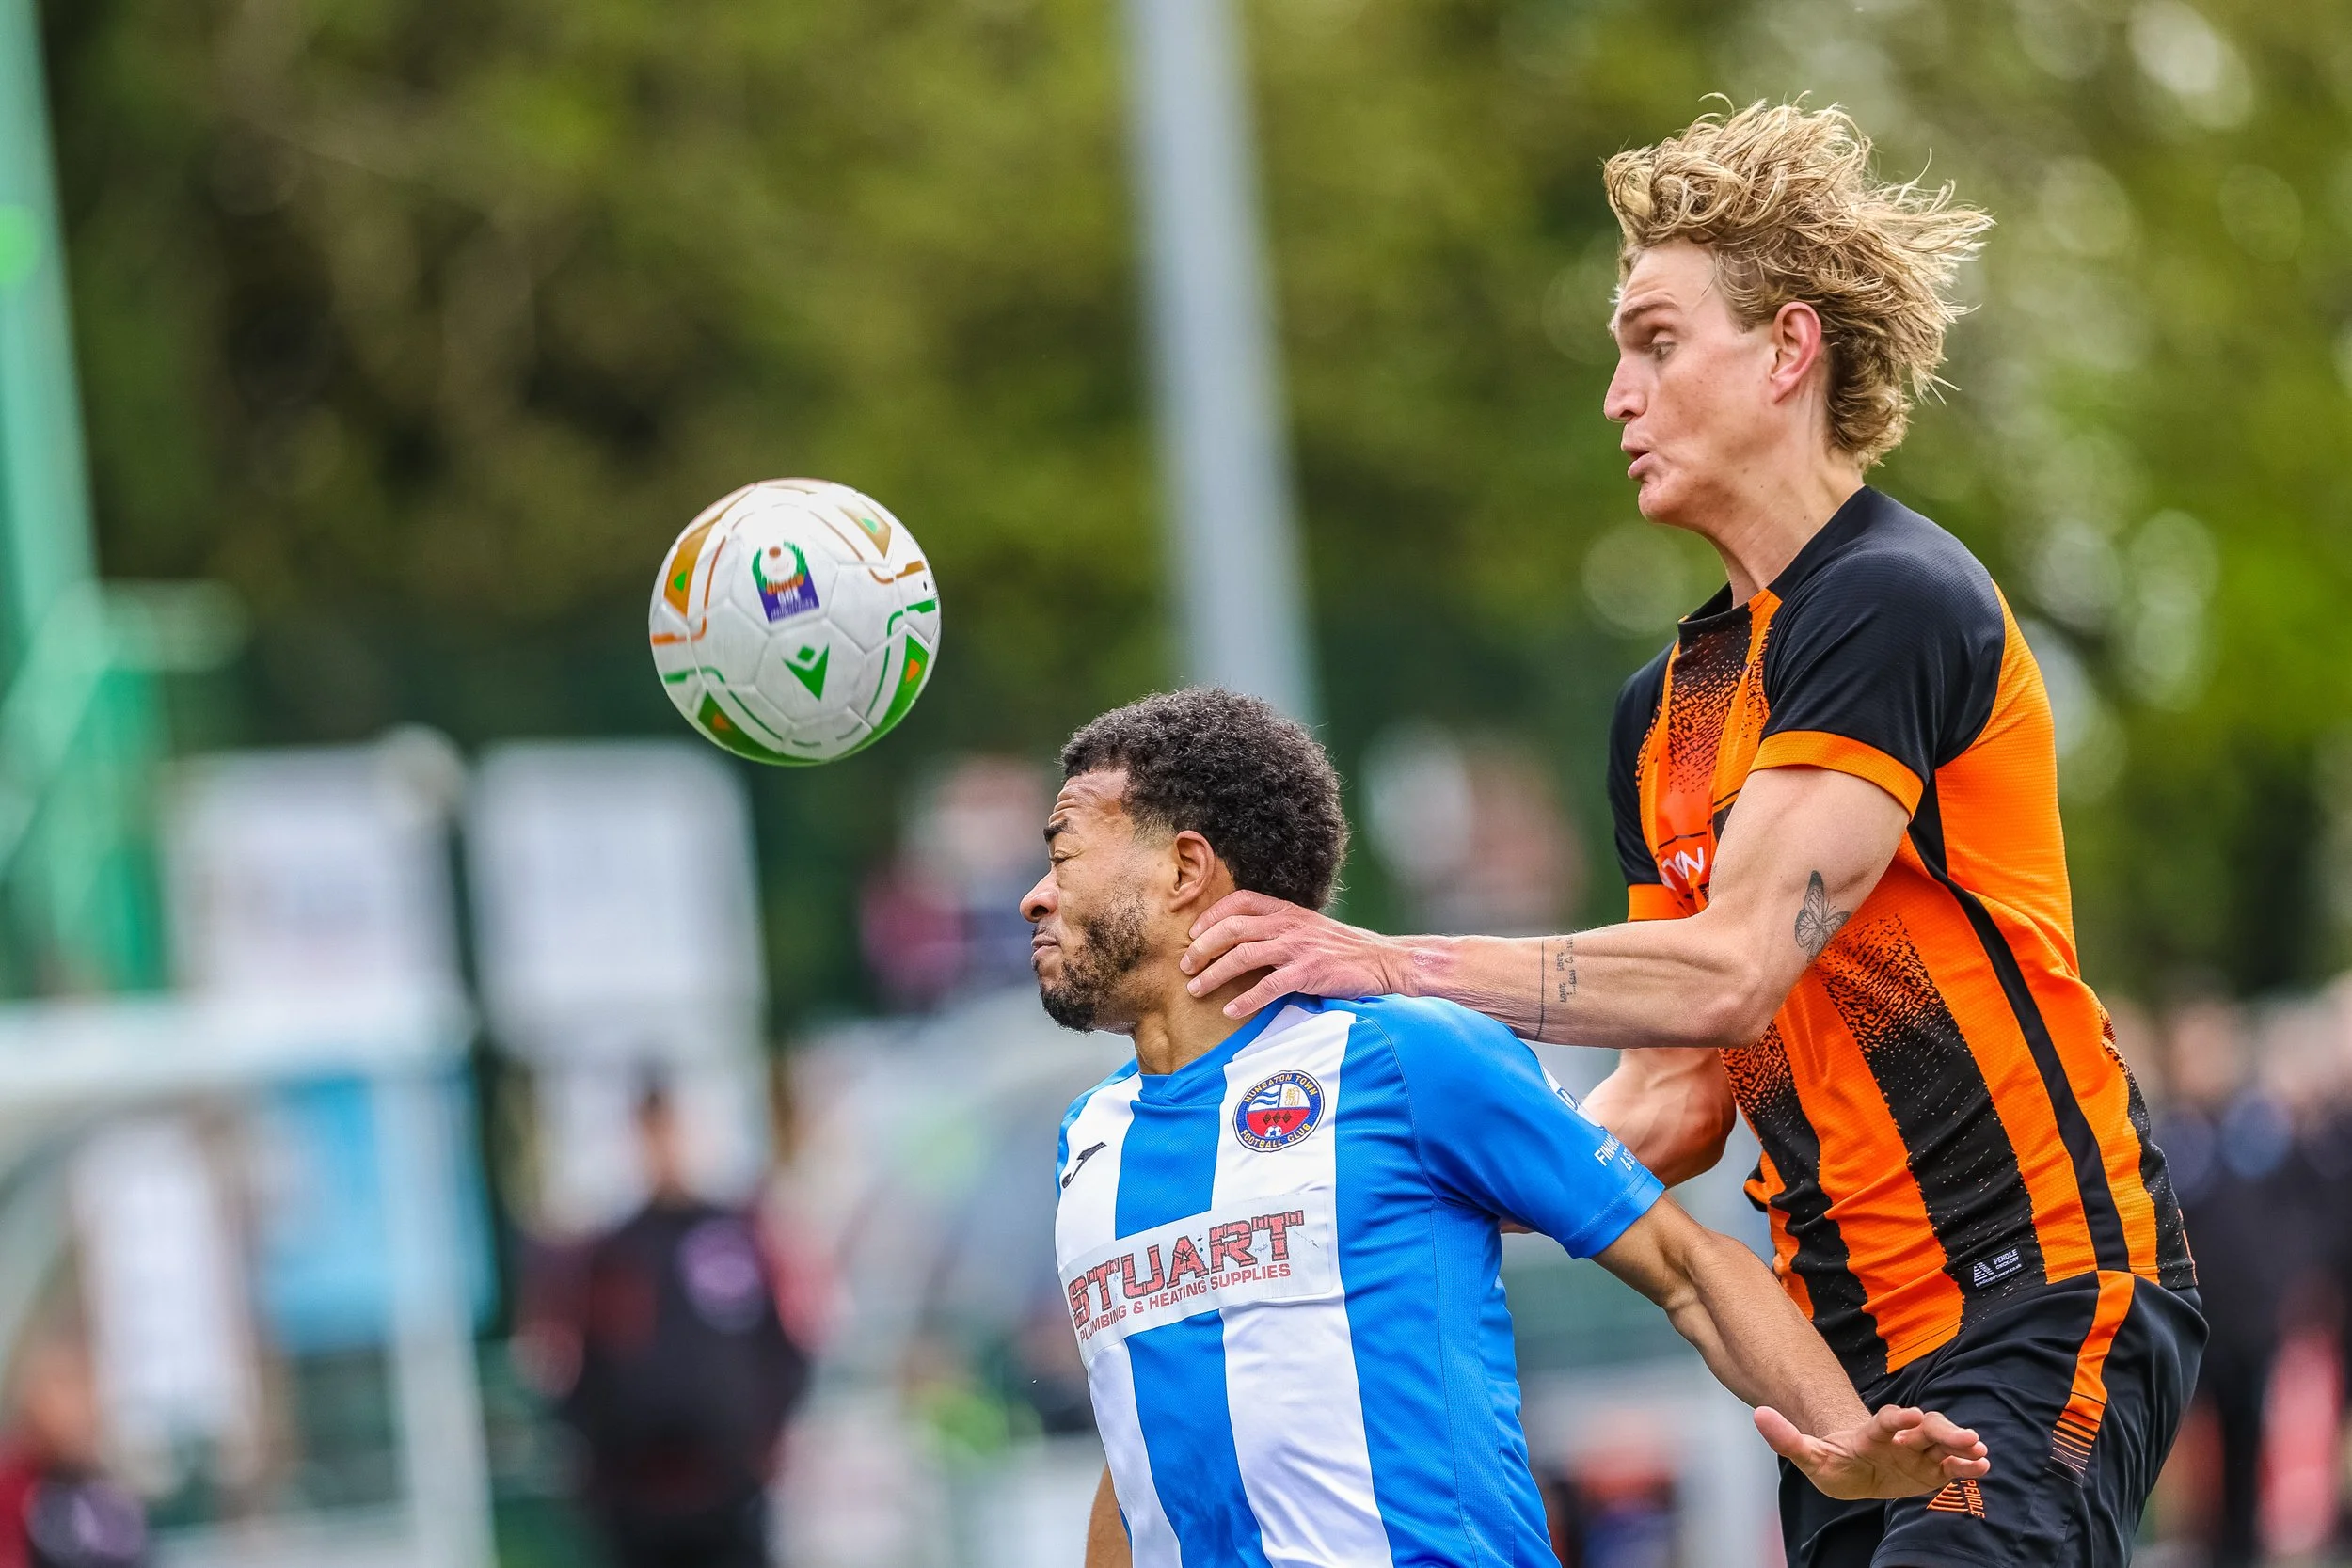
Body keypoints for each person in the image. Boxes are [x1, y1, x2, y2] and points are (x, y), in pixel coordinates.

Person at [1174, 103, 2201, 1568]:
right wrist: (1400, 1184)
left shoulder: (1893, 598)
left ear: (1788, 350)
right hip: (1829, 1365)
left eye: (1655, 341)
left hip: (2039, 1290)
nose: (1615, 394)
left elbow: (1729, 972)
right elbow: (1675, 1094)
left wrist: (1378, 962)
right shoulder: (1662, 711)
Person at [1026, 689, 1988, 1567]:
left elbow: (1687, 1265)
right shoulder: (1089, 1139)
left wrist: (1840, 1440)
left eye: (1063, 851)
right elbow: (1142, 1443)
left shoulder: (1402, 1055)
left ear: (1186, 866)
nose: (1037, 893)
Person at [554, 1083, 810, 1568]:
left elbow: (784, 1344)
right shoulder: (614, 1250)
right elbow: (582, 1364)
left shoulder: (734, 1234)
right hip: (641, 1495)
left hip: (729, 1487)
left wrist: (766, 1441)